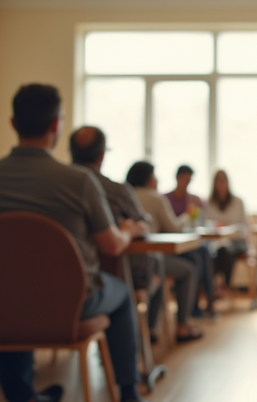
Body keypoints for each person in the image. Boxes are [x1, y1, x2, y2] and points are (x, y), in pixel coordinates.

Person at [0, 84, 154, 402]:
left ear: (12, 122)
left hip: (0, 303)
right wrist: (128, 230)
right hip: (70, 302)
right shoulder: (79, 181)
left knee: (13, 290)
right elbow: (111, 246)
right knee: (122, 292)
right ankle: (129, 396)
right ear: (56, 125)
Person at [69, 127, 202, 343]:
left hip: (52, 285)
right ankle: (134, 363)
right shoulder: (116, 191)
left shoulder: (51, 187)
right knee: (138, 280)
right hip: (115, 272)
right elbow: (141, 229)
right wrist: (128, 230)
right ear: (102, 155)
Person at [125, 161, 216, 317]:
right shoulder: (156, 198)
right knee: (189, 267)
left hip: (124, 259)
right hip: (149, 259)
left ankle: (201, 305)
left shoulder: (124, 195)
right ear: (148, 179)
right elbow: (175, 228)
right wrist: (189, 214)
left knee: (197, 254)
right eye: (154, 177)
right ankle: (183, 323)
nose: (157, 180)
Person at [204, 170, 254, 293]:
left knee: (226, 249)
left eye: (223, 180)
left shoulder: (238, 202)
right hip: (216, 242)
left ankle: (225, 284)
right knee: (211, 252)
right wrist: (216, 226)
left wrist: (231, 231)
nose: (221, 184)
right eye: (218, 180)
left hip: (236, 241)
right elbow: (204, 224)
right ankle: (212, 287)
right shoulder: (208, 203)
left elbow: (245, 227)